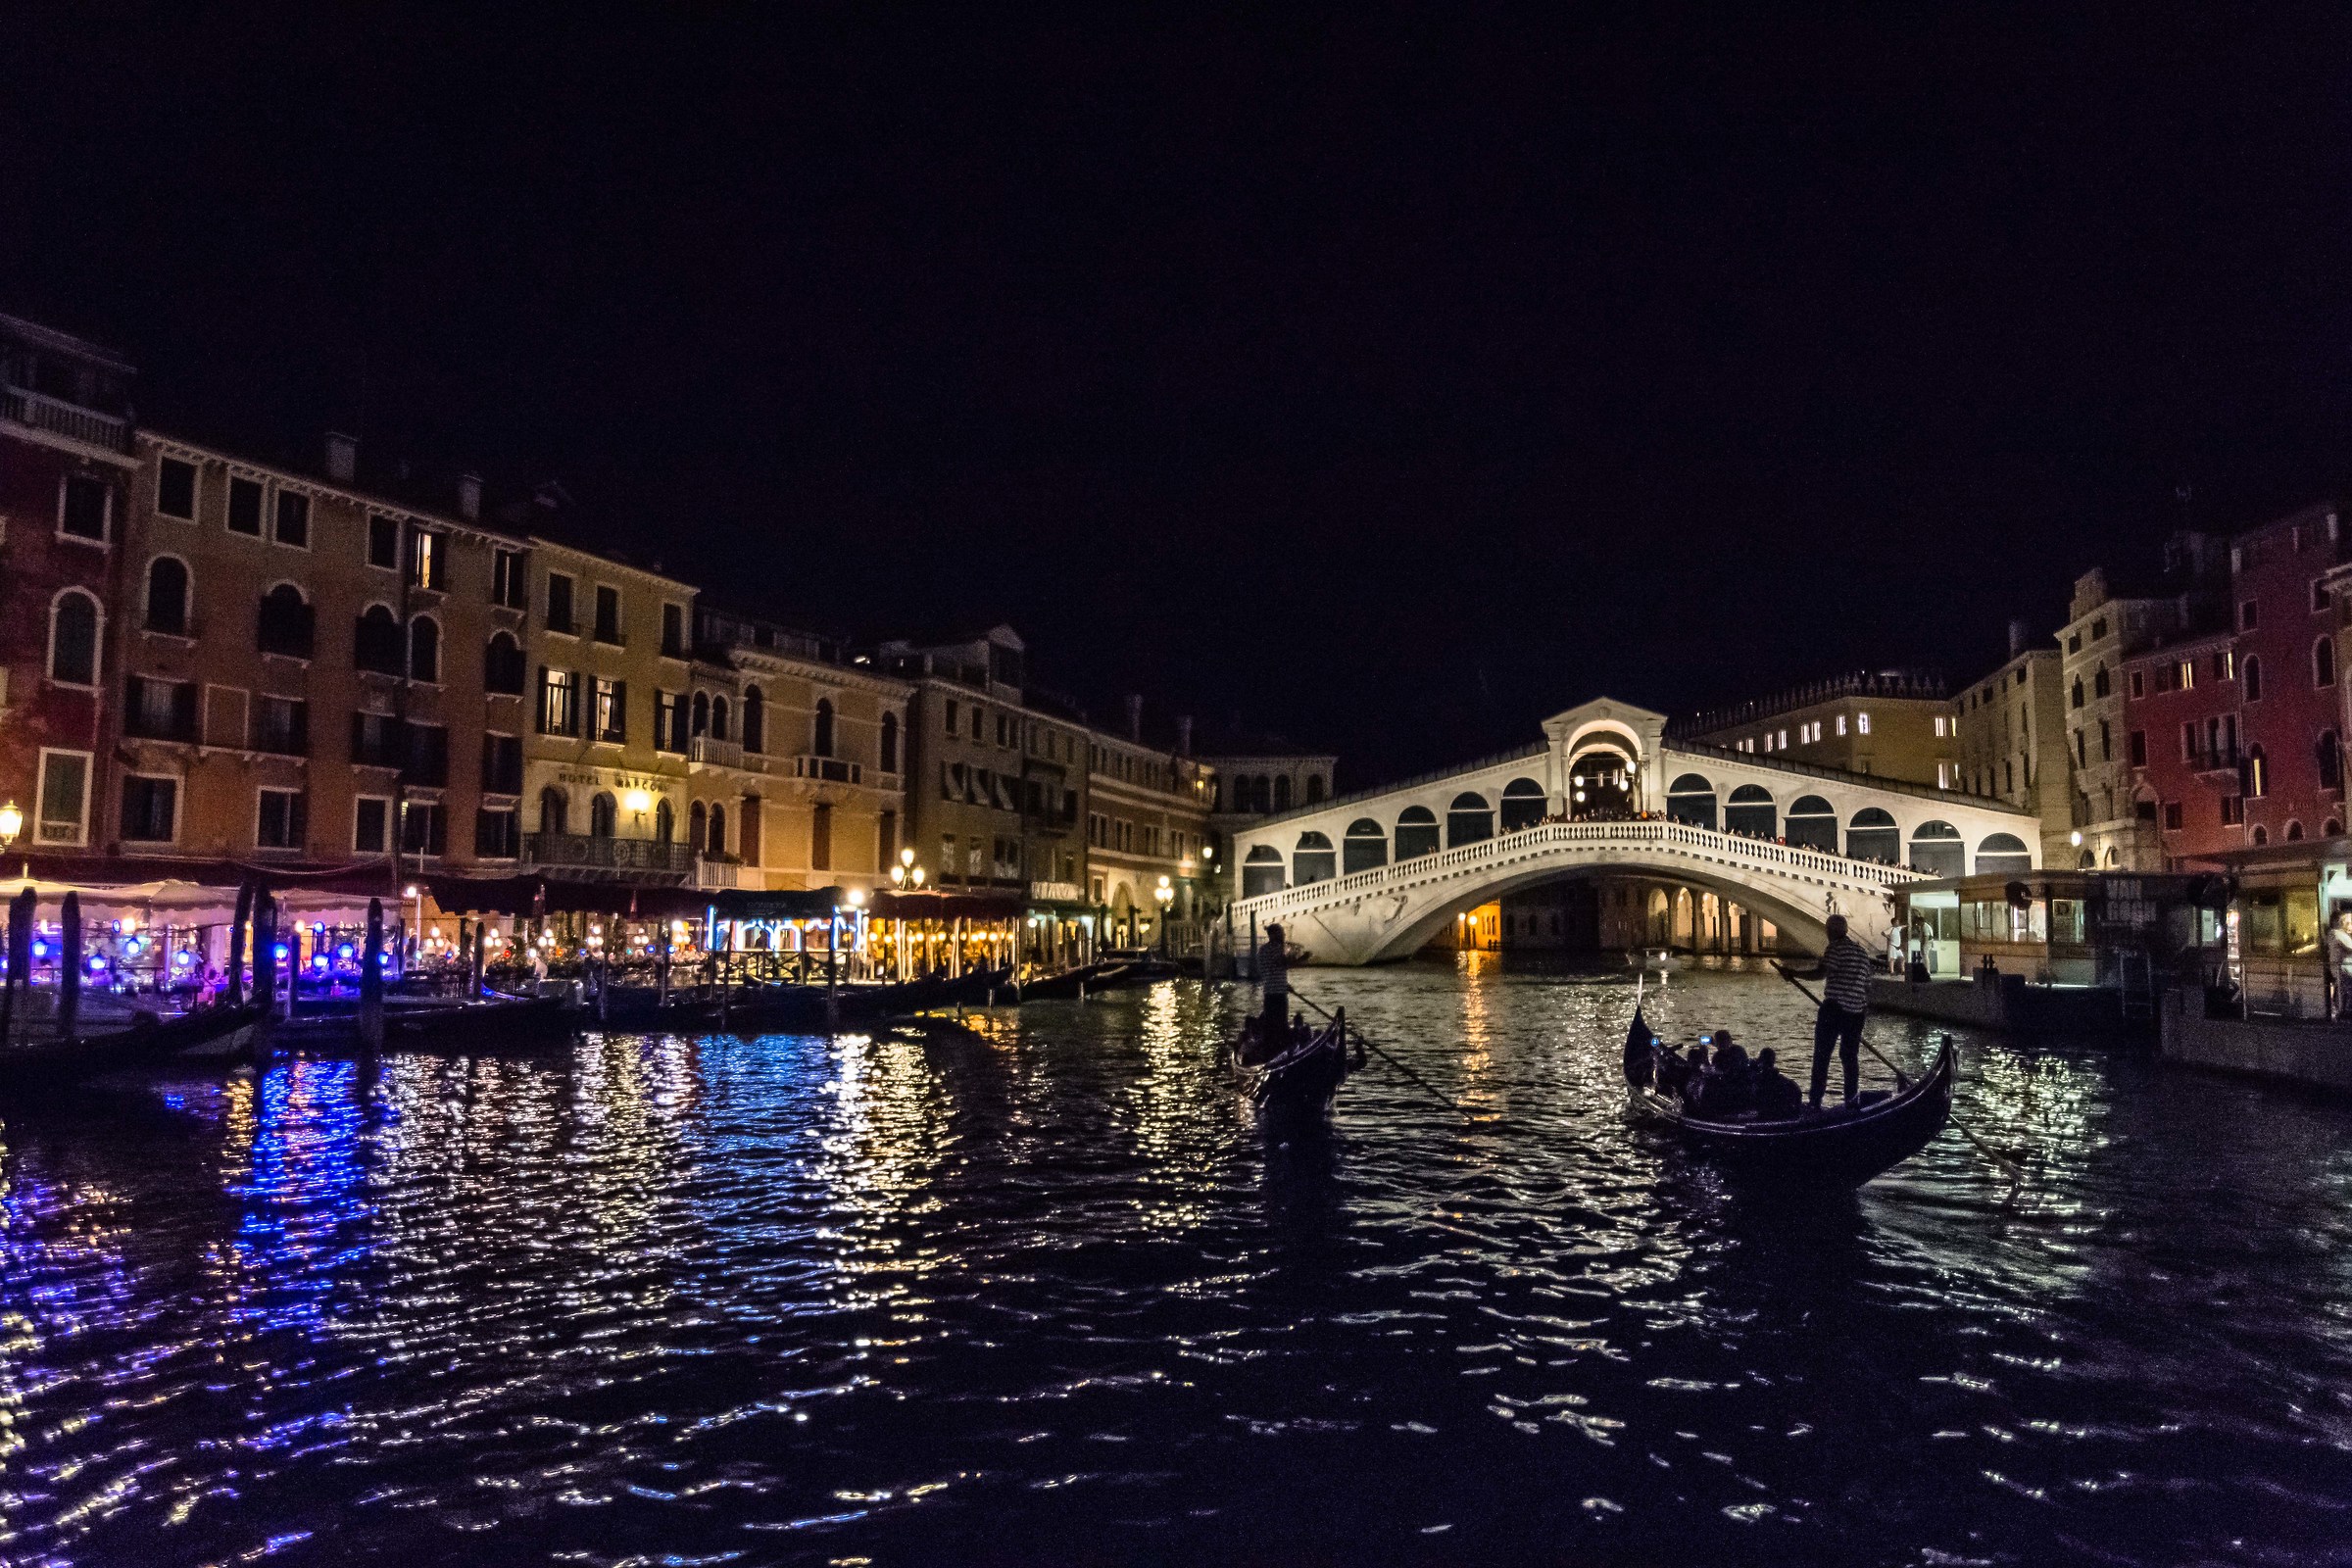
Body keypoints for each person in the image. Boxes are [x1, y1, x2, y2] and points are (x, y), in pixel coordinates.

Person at [1779, 913, 1876, 1107]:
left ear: (1830, 931)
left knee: (1822, 1056)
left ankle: (1815, 1101)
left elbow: (1821, 973)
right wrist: (1859, 1006)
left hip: (1834, 1009)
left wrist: (1793, 973)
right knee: (1849, 1057)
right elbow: (1867, 987)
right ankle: (1851, 1099)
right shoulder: (1862, 953)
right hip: (1856, 1012)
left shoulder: (1835, 948)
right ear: (1846, 931)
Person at [1258, 921, 1292, 1045]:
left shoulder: (1263, 950)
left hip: (1269, 992)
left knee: (1271, 1025)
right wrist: (1303, 958)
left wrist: (1284, 984)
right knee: (1281, 1024)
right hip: (1278, 994)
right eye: (1281, 933)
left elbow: (1271, 970)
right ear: (1273, 934)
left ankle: (1271, 1048)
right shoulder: (1276, 948)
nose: (1283, 935)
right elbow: (1283, 964)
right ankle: (1280, 1050)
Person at [1752, 1047, 1803, 1117]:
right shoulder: (1788, 1083)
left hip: (1768, 1115)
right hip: (1785, 1113)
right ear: (1774, 1061)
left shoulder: (1757, 1081)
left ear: (1761, 1061)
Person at [2330, 910, 2352, 1018]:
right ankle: (2342, 1014)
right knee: (2345, 991)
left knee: (2343, 992)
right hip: (2343, 970)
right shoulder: (2337, 934)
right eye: (2349, 923)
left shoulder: (2341, 934)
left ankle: (2341, 1012)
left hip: (2344, 969)